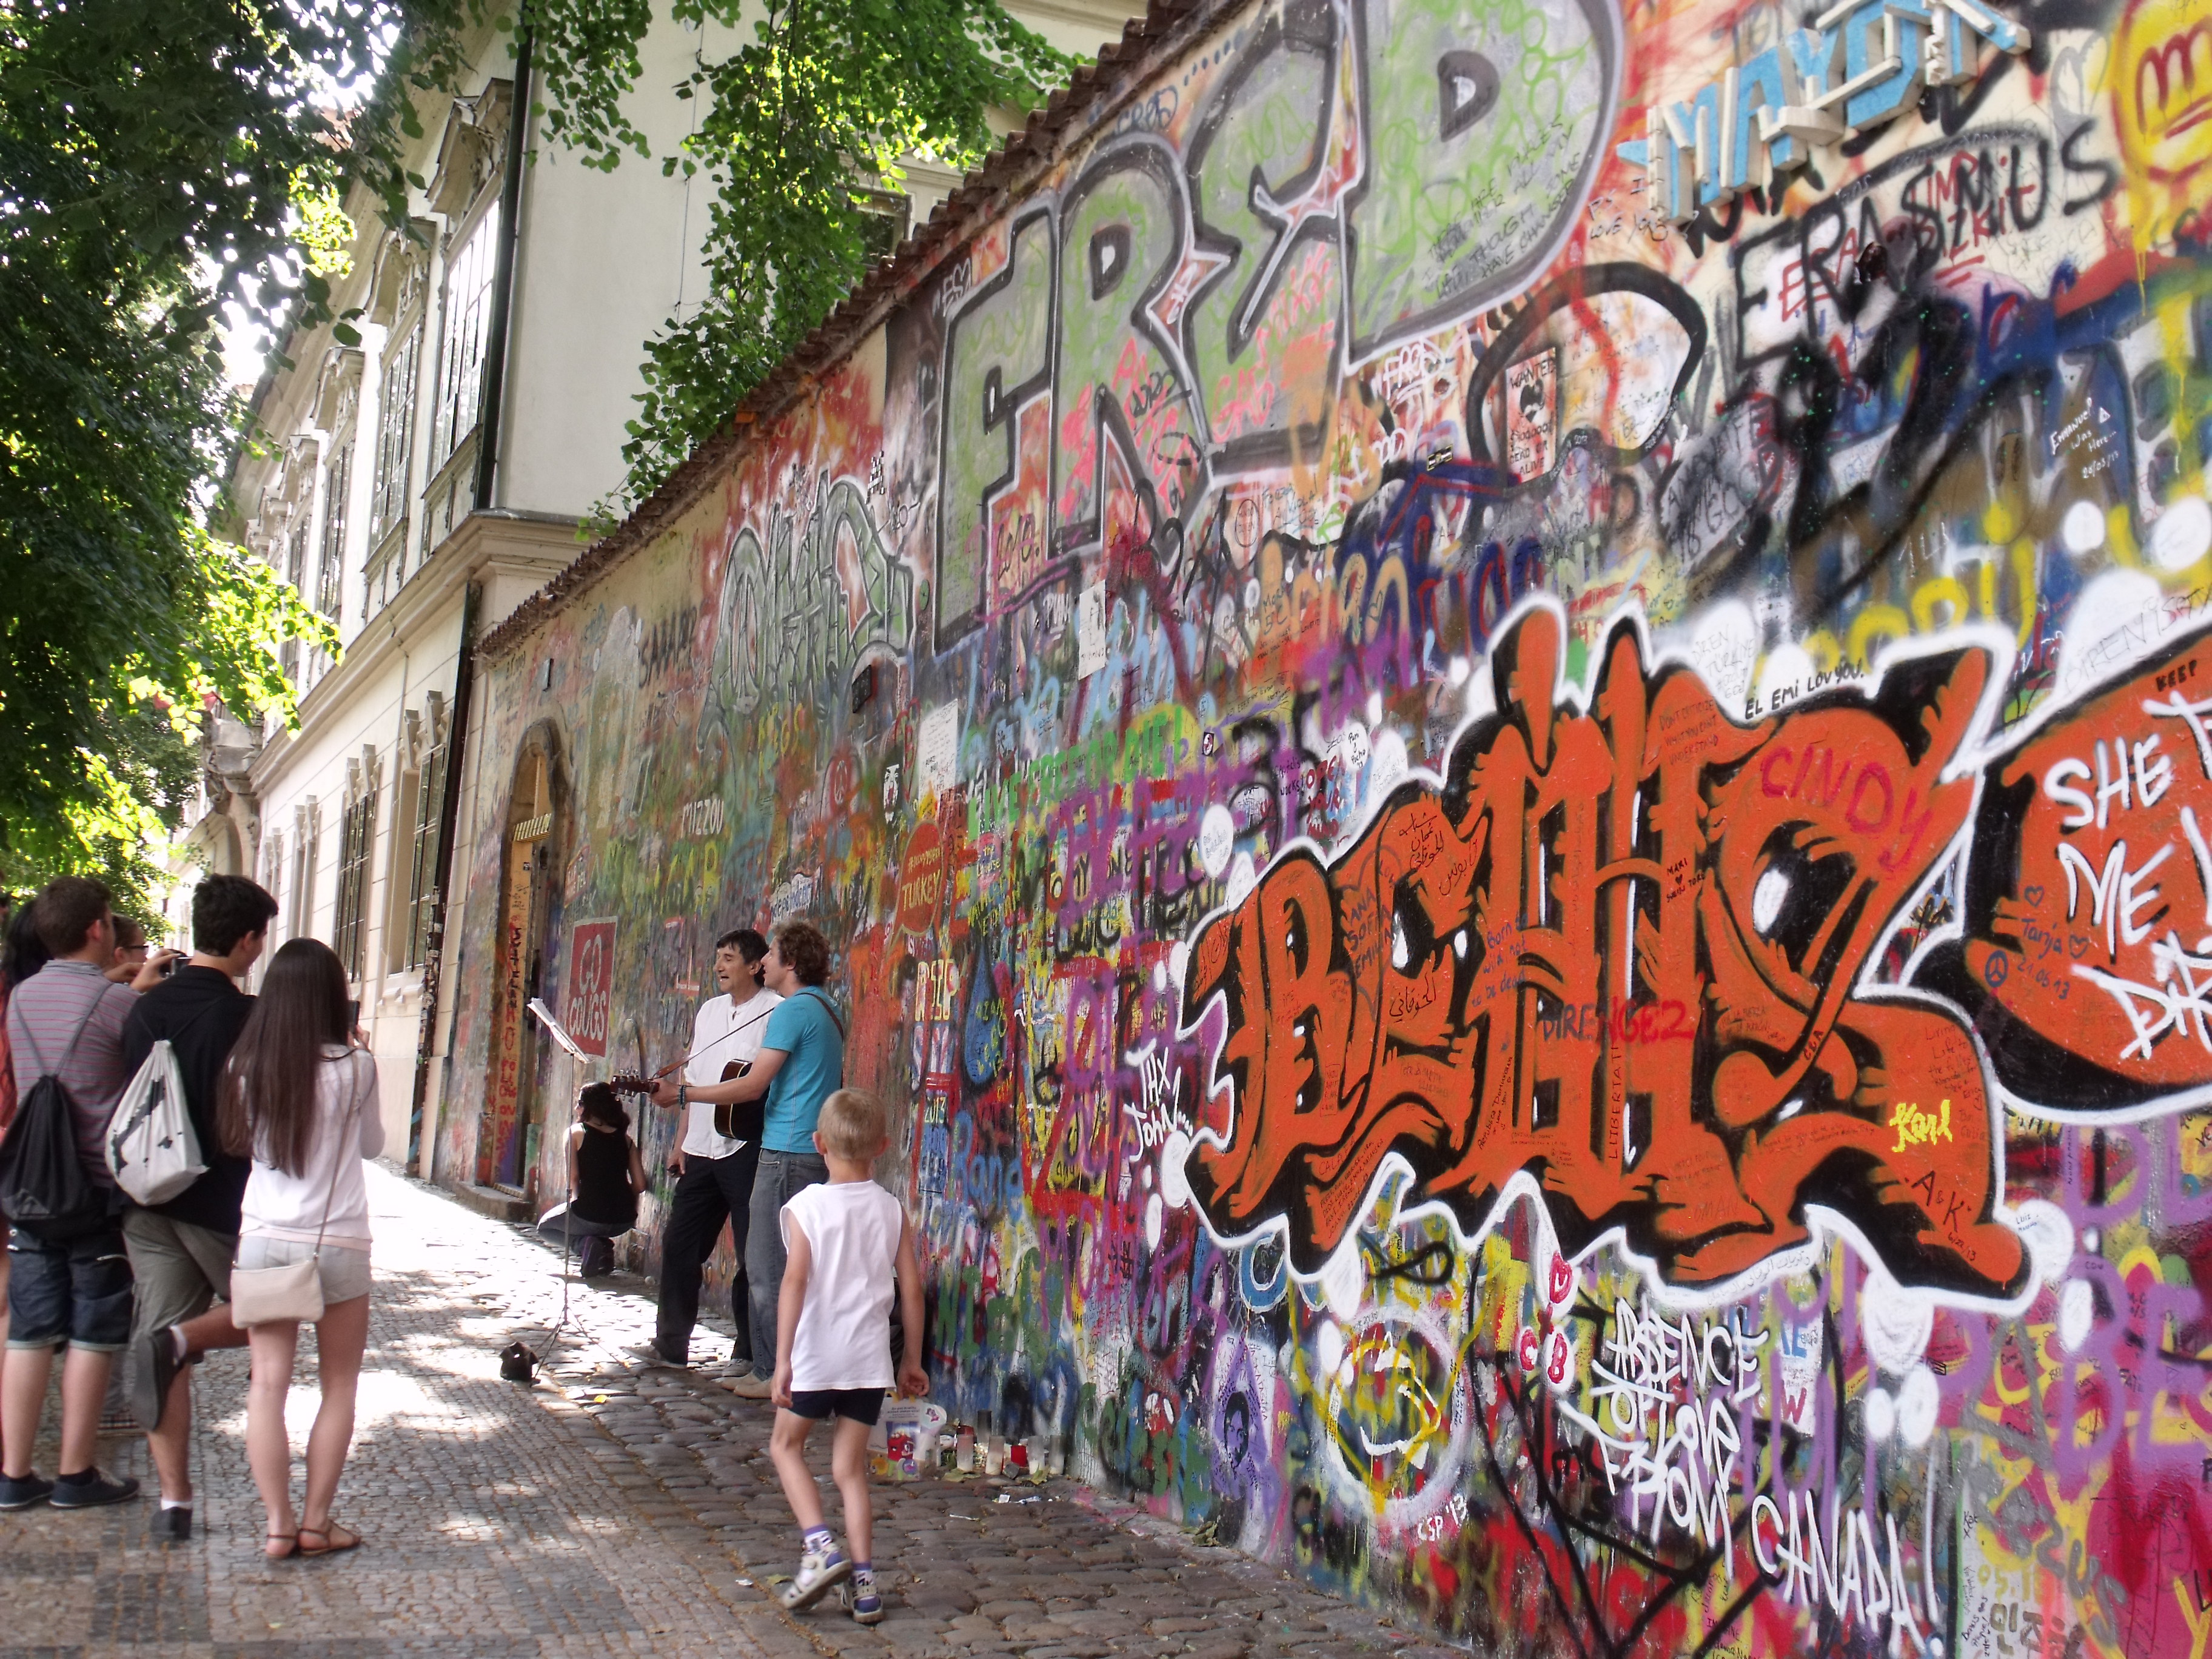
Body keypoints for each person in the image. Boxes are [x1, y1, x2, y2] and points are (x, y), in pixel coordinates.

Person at [0, 877, 172, 1509]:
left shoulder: (19, 1000)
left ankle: (14, 1474)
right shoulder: (119, 1006)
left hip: (33, 1188)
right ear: (98, 928)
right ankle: (76, 1475)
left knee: (29, 1330)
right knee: (94, 1329)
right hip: (97, 1188)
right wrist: (137, 986)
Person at [117, 874, 280, 1541]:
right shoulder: (246, 1015)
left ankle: (174, 1502)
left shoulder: (144, 1008)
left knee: (161, 1353)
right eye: (260, 937)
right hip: (220, 1199)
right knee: (276, 1313)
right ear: (246, 940)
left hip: (146, 1197)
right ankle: (180, 1338)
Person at [220, 937, 381, 1560]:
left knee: (267, 1386)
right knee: (338, 1387)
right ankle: (317, 1523)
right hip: (337, 1239)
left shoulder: (245, 1066)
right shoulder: (356, 1065)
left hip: (262, 1240)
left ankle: (277, 1527)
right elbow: (371, 1146)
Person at [653, 920, 843, 1399]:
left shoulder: (789, 1012)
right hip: (802, 1147)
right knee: (778, 1265)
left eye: (772, 953)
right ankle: (768, 1365)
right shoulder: (826, 1007)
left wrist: (682, 1094)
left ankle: (772, 1373)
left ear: (791, 964)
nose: (765, 962)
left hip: (785, 1150)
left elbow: (752, 1085)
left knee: (766, 1268)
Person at [766, 1088, 926, 1627]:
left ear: (818, 1144)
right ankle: (865, 1587)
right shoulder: (890, 1208)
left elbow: (794, 1282)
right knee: (850, 1471)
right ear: (881, 1146)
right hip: (867, 1362)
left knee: (786, 1446)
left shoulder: (805, 1208)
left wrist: (782, 1360)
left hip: (815, 1356)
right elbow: (912, 1291)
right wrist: (912, 1361)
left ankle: (820, 1547)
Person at [647, 927, 779, 1367]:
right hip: (701, 1148)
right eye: (718, 957)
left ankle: (747, 1350)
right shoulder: (708, 1011)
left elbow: (757, 1085)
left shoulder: (775, 1012)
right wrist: (681, 1142)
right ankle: (670, 1341)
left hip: (746, 1148)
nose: (719, 966)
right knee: (681, 1245)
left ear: (756, 964)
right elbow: (692, 1080)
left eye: (728, 958)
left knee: (751, 1255)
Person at [536, 1084, 646, 1276]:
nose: (577, 1108)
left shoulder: (576, 1132)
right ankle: (602, 1248)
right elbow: (640, 1184)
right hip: (624, 1219)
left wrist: (576, 1204)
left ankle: (585, 1245)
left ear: (588, 1107)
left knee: (545, 1227)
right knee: (592, 1226)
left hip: (589, 1213)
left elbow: (574, 1178)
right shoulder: (626, 1140)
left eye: (580, 1103)